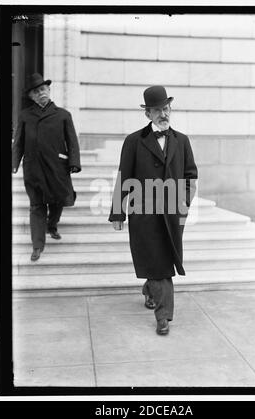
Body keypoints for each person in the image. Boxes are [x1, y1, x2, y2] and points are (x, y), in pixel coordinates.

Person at [109, 85, 198, 335]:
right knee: (159, 264)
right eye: (157, 110)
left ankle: (150, 290)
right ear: (147, 114)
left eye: (166, 108)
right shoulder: (134, 142)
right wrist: (118, 212)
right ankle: (164, 316)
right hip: (144, 215)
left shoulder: (182, 141)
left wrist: (184, 203)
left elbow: (190, 175)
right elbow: (123, 177)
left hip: (172, 214)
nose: (163, 114)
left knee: (161, 261)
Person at [12, 73, 81, 261]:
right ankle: (37, 246)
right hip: (33, 168)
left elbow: (72, 142)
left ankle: (52, 224)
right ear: (31, 96)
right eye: (36, 91)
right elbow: (19, 142)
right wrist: (14, 163)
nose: (40, 93)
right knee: (37, 206)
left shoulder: (63, 115)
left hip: (57, 167)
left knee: (58, 200)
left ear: (49, 90)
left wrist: (74, 163)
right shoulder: (25, 116)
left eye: (43, 89)